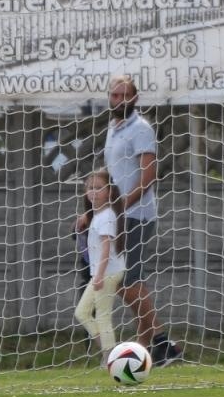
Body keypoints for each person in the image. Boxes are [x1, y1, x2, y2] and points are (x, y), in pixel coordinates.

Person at [77, 75, 183, 365]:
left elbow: (149, 173)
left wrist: (121, 206)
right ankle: (147, 351)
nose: (119, 100)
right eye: (115, 95)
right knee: (127, 281)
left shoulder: (141, 129)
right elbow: (111, 179)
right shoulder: (113, 128)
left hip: (135, 215)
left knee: (127, 280)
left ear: (135, 98)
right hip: (117, 215)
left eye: (125, 95)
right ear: (109, 98)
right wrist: (94, 210)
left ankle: (162, 342)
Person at [74, 170, 127, 364]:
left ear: (109, 192)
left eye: (98, 188)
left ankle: (110, 359)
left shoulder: (106, 217)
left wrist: (99, 276)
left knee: (103, 316)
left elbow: (106, 247)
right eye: (90, 188)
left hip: (106, 274)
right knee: (82, 313)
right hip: (101, 273)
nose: (93, 192)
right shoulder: (99, 215)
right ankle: (111, 353)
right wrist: (85, 218)